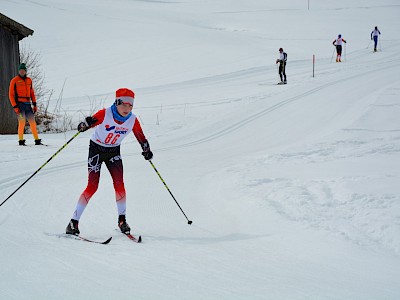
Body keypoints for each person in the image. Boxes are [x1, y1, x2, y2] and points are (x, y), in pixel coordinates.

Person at [65, 88, 153, 235]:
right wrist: (84, 125)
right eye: (124, 105)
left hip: (113, 151)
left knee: (120, 185)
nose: (127, 109)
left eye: (130, 105)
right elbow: (84, 126)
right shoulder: (105, 114)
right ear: (117, 102)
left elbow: (141, 137)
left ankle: (122, 220)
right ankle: (73, 223)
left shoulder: (132, 120)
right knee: (92, 186)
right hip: (96, 150)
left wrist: (146, 149)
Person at [8, 63, 42, 145]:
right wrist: (15, 106)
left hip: (28, 104)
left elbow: (32, 93)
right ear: (19, 71)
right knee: (22, 122)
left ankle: (37, 140)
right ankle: (21, 141)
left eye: (23, 70)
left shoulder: (29, 80)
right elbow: (11, 95)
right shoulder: (14, 80)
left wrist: (34, 104)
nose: (22, 72)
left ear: (25, 71)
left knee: (32, 123)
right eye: (20, 70)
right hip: (19, 105)